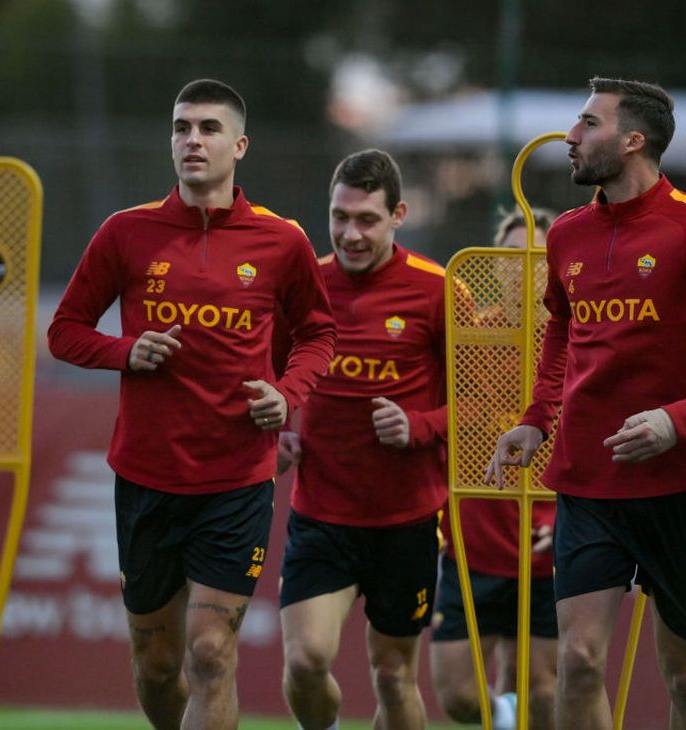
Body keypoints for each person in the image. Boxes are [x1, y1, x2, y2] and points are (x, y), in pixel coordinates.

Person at [485, 77, 686, 730]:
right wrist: (537, 420)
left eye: (587, 125)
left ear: (633, 140)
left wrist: (678, 422)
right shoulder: (565, 235)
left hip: (685, 484)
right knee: (578, 659)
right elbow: (562, 331)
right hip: (588, 482)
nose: (570, 137)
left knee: (685, 676)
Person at [47, 78, 336, 730]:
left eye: (207, 128)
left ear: (239, 145)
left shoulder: (281, 241)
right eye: (181, 128)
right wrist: (125, 351)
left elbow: (320, 334)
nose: (192, 140)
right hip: (147, 479)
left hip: (236, 482)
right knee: (156, 664)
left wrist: (286, 395)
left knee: (211, 653)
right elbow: (64, 331)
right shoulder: (126, 233)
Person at [276, 149, 446, 730]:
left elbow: (488, 402)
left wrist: (420, 426)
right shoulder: (304, 286)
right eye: (339, 217)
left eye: (367, 220)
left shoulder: (438, 289)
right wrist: (277, 430)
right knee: (304, 661)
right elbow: (265, 378)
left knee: (394, 679)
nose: (350, 234)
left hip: (407, 519)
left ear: (398, 214)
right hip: (321, 516)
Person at [430, 207, 559, 730]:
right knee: (459, 696)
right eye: (508, 254)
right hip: (472, 541)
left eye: (535, 256)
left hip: (547, 547)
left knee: (542, 693)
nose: (519, 266)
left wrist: (562, 522)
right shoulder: (470, 339)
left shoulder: (574, 346)